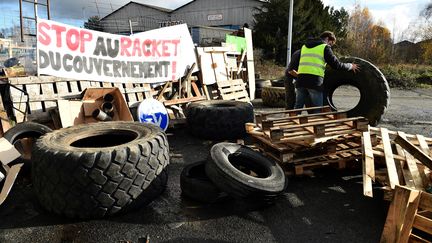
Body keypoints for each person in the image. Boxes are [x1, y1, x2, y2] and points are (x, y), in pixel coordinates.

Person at [289, 31, 360, 111]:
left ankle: (292, 123)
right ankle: (318, 123)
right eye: (331, 43)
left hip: (300, 81)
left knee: (297, 107)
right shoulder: (324, 47)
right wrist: (350, 66)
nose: (330, 45)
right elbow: (336, 65)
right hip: (314, 82)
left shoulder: (304, 47)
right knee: (318, 109)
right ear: (327, 39)